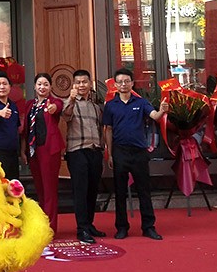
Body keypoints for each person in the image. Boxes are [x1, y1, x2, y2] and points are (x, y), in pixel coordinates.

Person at [102, 68, 170, 240]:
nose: (124, 84)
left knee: (144, 191)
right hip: (119, 152)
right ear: (115, 85)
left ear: (132, 83)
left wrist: (162, 111)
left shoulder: (141, 102)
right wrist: (110, 154)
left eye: (127, 81)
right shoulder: (110, 106)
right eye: (120, 82)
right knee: (120, 192)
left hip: (139, 152)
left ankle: (148, 227)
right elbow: (108, 130)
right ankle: (122, 227)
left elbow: (154, 116)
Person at [63, 69, 106, 244]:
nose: (82, 85)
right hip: (77, 151)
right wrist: (72, 98)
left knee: (92, 190)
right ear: (74, 85)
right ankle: (81, 229)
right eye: (78, 82)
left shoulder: (96, 106)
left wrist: (103, 148)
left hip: (95, 151)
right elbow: (65, 115)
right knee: (80, 191)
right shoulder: (69, 102)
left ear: (90, 84)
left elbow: (100, 128)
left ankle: (89, 224)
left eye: (84, 82)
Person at [22, 72, 64, 233]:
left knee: (49, 189)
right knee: (39, 188)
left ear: (50, 87)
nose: (42, 87)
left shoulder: (54, 102)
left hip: (49, 150)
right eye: (39, 84)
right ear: (34, 86)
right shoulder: (30, 105)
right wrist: (23, 150)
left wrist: (53, 108)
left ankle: (50, 227)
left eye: (46, 84)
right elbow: (25, 130)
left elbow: (57, 108)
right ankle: (41, 223)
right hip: (33, 151)